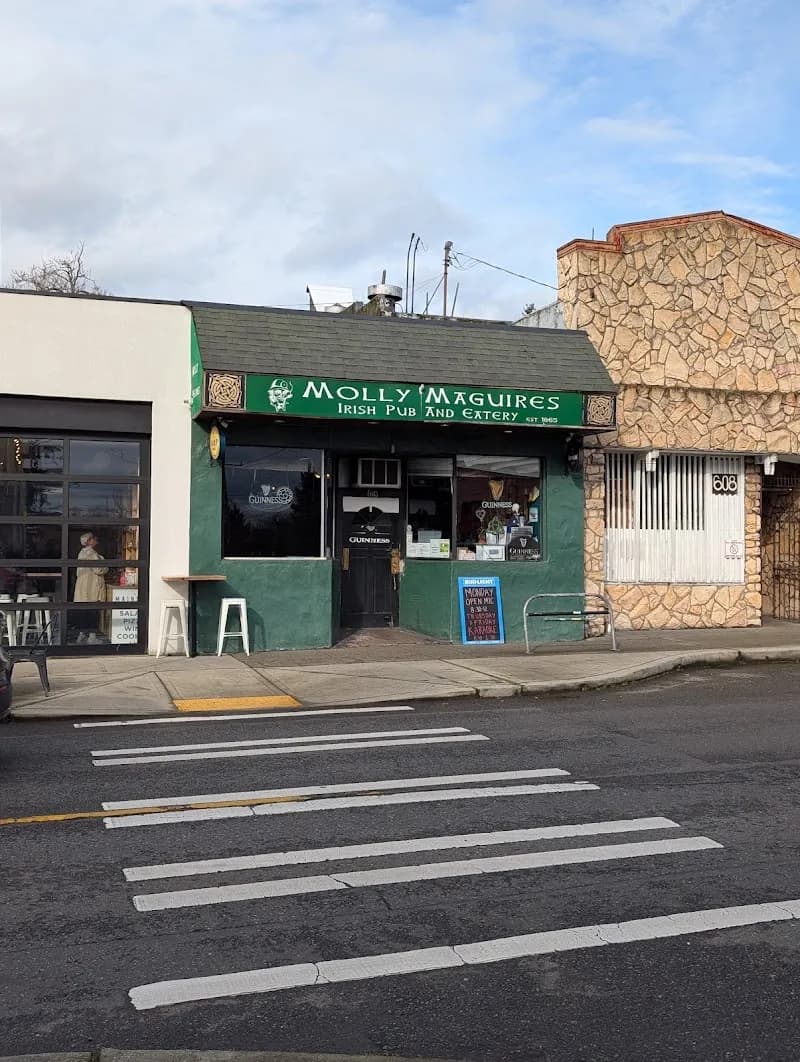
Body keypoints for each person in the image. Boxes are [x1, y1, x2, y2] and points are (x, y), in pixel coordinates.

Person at [74, 532, 108, 643]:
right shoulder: (92, 554)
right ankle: (92, 637)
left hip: (82, 586)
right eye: (93, 538)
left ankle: (82, 634)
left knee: (84, 611)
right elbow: (99, 569)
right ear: (89, 541)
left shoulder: (81, 553)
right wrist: (105, 564)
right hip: (91, 586)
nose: (96, 539)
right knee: (92, 610)